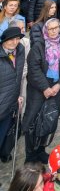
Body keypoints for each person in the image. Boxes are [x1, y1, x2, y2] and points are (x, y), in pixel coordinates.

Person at [23, 18, 60, 163]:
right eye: (51, 28)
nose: (54, 31)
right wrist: (45, 88)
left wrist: (59, 84)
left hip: (56, 87)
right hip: (38, 89)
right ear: (46, 30)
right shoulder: (38, 45)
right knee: (33, 120)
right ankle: (30, 155)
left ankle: (41, 150)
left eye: (56, 27)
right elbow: (34, 69)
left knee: (49, 119)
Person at [0, 26, 25, 157]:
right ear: (3, 40)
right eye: (11, 40)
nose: (14, 42)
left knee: (5, 132)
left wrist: (18, 95)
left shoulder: (20, 50)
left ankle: (4, 153)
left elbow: (18, 76)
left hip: (11, 104)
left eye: (17, 39)